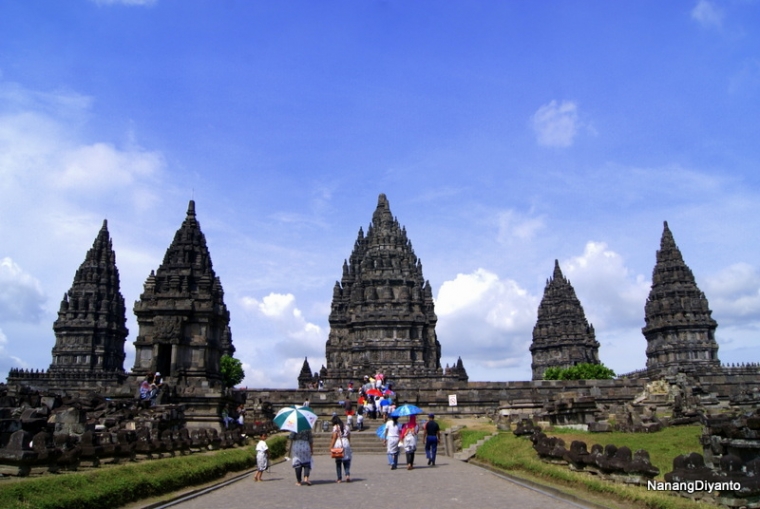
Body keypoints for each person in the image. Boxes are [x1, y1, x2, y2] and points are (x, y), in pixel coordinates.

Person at [331, 415, 352, 482]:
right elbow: (349, 436)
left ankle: (339, 478)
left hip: (338, 443)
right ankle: (347, 475)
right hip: (346, 442)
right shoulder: (347, 426)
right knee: (347, 460)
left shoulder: (335, 427)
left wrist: (331, 446)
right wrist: (348, 443)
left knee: (338, 461)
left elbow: (334, 437)